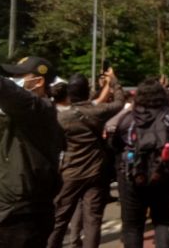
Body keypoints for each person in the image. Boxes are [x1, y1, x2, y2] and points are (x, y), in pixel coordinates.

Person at [0, 57, 65, 247]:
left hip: (21, 216)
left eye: (19, 76)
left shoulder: (38, 110)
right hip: (11, 212)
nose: (13, 80)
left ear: (39, 81)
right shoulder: (24, 116)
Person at [112, 79, 169, 248]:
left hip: (132, 180)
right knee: (164, 223)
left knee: (132, 227)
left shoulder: (128, 119)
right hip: (166, 178)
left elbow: (115, 146)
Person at [47, 71, 125, 248]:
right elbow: (119, 102)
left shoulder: (61, 118)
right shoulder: (98, 111)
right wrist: (114, 82)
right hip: (97, 171)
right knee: (93, 219)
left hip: (71, 172)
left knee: (60, 217)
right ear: (87, 90)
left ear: (69, 93)